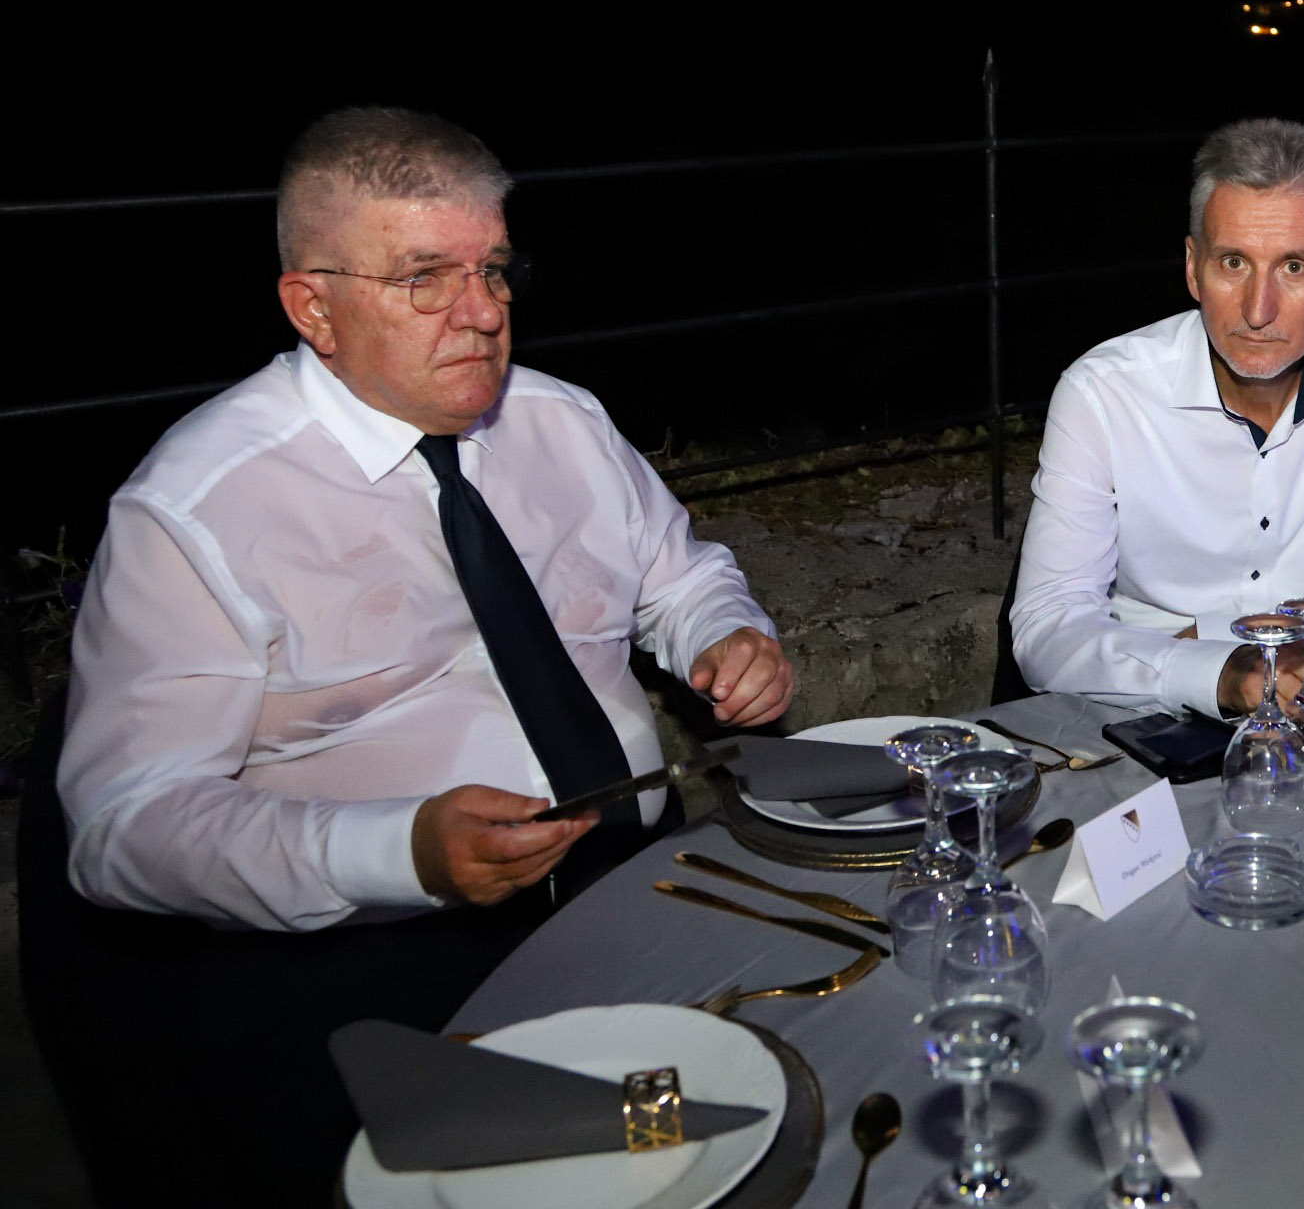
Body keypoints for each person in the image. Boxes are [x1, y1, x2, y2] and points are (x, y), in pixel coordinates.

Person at [27, 107, 795, 1205]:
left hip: (636, 882)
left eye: (494, 269)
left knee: (766, 1114)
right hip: (374, 962)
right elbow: (122, 828)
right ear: (314, 307)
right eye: (424, 278)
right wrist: (400, 851)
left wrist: (723, 631)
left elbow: (679, 574)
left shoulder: (561, 421)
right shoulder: (198, 508)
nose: (482, 312)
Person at [1012, 119, 1304, 712]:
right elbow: (1046, 628)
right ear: (1192, 267)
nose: (1258, 310)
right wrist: (1219, 675)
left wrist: (1214, 645)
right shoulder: (1103, 393)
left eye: (1293, 267)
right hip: (1143, 717)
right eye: (1234, 262)